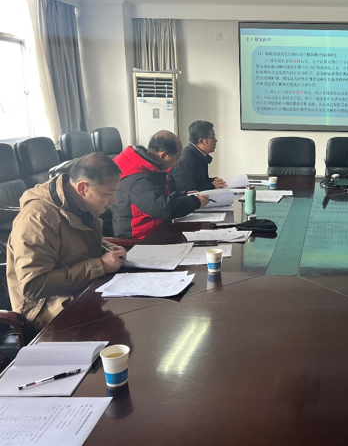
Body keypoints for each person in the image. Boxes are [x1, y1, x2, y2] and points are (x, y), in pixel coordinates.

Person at [6, 153, 126, 331]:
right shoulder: (38, 218)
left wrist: (108, 249)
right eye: (109, 193)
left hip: (83, 291)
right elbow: (33, 286)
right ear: (83, 188)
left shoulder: (83, 204)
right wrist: (100, 265)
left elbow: (76, 242)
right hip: (47, 311)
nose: (114, 200)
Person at [112, 130, 209, 239]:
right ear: (163, 155)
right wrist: (195, 202)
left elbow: (159, 196)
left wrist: (184, 195)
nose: (177, 162)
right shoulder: (138, 177)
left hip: (157, 229)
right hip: (140, 239)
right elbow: (163, 208)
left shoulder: (150, 167)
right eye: (177, 157)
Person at [173, 120, 227, 192]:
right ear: (202, 141)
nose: (216, 140)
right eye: (213, 137)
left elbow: (201, 181)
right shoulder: (186, 159)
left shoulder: (200, 155)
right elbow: (188, 190)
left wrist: (214, 180)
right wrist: (212, 186)